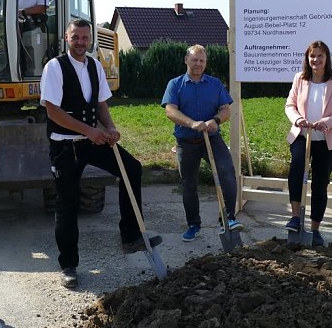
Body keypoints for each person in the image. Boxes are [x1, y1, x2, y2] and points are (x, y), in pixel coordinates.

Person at [40, 18, 162, 289]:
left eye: (85, 38)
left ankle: (130, 236)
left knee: (132, 168)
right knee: (67, 203)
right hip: (65, 146)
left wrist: (110, 128)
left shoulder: (95, 65)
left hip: (91, 141)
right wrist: (90, 131)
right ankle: (69, 265)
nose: (81, 42)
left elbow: (101, 104)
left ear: (90, 39)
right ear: (66, 37)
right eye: (76, 37)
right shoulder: (55, 67)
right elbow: (53, 111)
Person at [161, 44, 244, 241]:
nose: (198, 64)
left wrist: (214, 121)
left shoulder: (215, 84)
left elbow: (226, 109)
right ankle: (193, 224)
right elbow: (170, 110)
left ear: (205, 63)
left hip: (212, 139)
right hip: (186, 142)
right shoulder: (175, 84)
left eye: (202, 60)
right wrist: (191, 123)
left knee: (227, 172)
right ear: (186, 60)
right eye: (194, 60)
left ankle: (228, 219)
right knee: (189, 184)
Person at [284, 40, 332, 247]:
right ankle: (296, 218)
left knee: (320, 183)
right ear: (307, 58)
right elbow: (290, 105)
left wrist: (327, 122)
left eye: (320, 56)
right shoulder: (300, 78)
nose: (316, 60)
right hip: (302, 137)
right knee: (296, 170)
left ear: (327, 58)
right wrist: (297, 119)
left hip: (327, 140)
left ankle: (315, 229)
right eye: (312, 56)